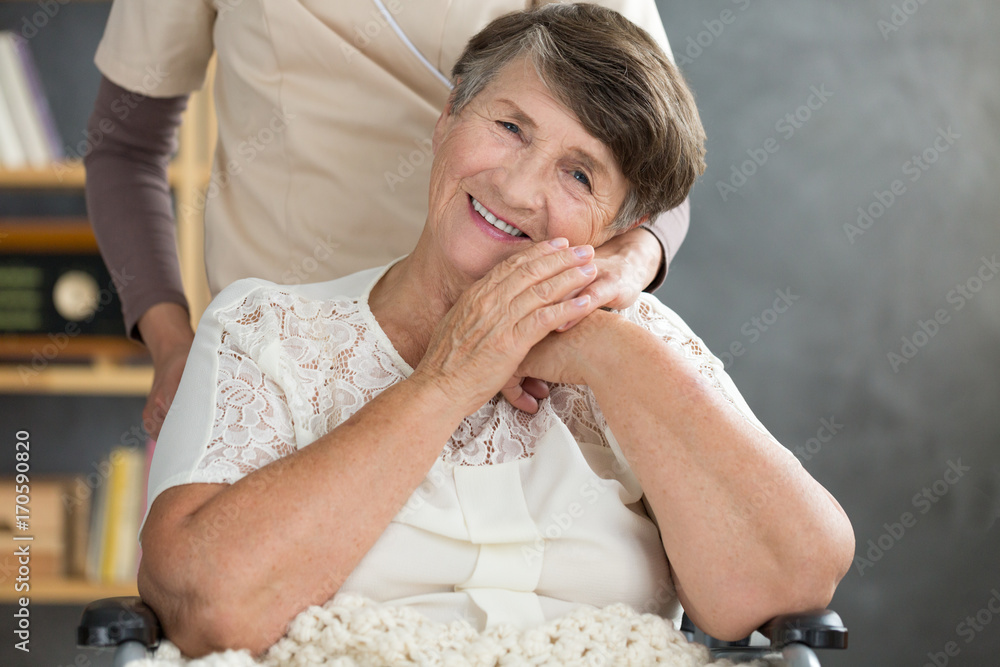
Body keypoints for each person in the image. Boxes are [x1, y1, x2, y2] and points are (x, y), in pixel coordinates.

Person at [137, 4, 855, 659]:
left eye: (580, 175)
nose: (517, 188)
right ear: (448, 117)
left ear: (621, 228)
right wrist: (451, 377)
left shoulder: (644, 348)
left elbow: (792, 579)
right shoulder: (264, 332)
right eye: (509, 127)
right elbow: (209, 609)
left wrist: (600, 347)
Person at [84, 0, 692, 439]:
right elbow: (123, 150)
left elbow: (653, 156)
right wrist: (171, 347)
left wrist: (616, 269)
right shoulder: (259, 357)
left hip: (497, 359)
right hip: (280, 361)